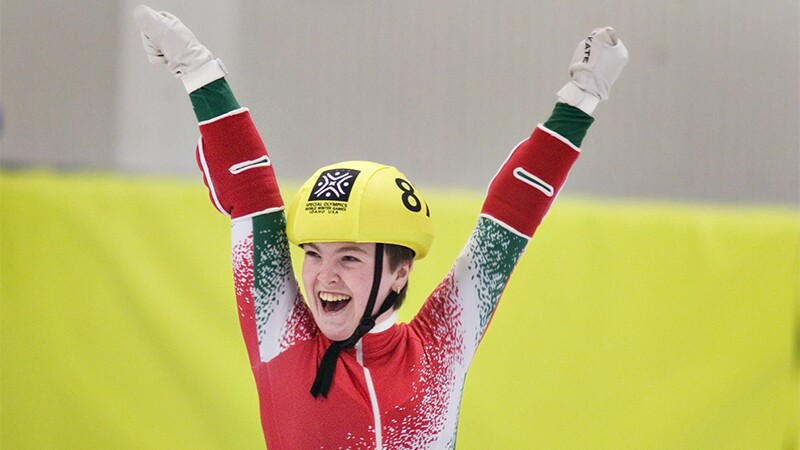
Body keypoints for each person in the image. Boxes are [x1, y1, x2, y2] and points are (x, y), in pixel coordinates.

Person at [133, 5, 628, 449]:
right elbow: (252, 198)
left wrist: (581, 98)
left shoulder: (441, 346)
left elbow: (507, 222)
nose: (324, 275)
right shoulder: (281, 333)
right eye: (313, 253)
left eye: (348, 256)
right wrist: (198, 69)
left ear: (399, 272)